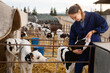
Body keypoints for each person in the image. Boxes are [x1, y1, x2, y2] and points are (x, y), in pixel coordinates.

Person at [68, 4, 109, 73]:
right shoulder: (74, 25)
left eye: (75, 17)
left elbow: (105, 25)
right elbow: (72, 39)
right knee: (78, 66)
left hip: (95, 47)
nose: (74, 20)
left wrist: (93, 31)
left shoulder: (93, 16)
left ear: (79, 12)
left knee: (93, 67)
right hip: (84, 50)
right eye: (72, 18)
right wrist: (73, 49)